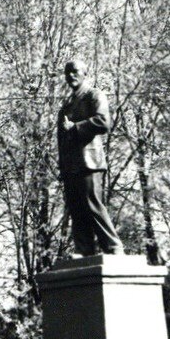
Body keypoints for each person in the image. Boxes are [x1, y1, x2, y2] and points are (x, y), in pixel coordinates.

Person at [56, 59, 124, 257]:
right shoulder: (66, 106)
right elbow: (62, 139)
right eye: (67, 72)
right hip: (71, 165)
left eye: (75, 71)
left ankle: (113, 246)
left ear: (85, 73)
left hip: (90, 162)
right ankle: (84, 249)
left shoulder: (94, 95)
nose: (70, 75)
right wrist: (63, 166)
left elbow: (103, 122)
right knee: (77, 209)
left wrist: (76, 127)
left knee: (92, 204)